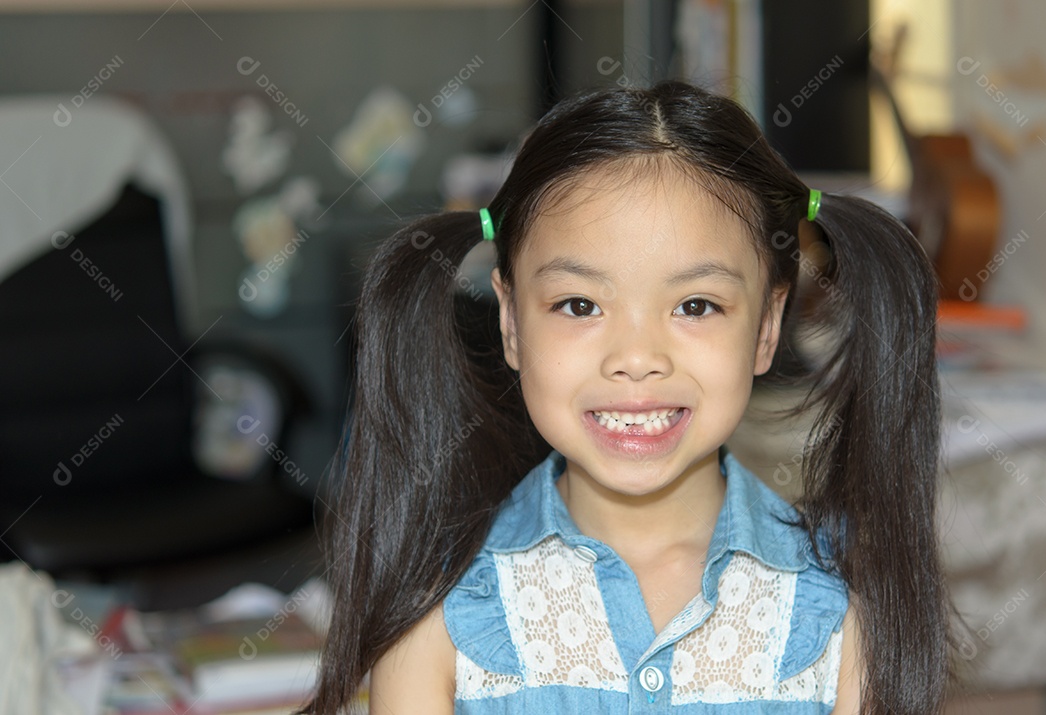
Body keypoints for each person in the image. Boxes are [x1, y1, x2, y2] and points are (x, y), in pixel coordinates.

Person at [300, 80, 958, 714]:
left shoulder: (841, 609)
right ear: (510, 324)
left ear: (765, 328)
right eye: (580, 304)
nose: (637, 358)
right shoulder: (433, 614)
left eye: (696, 305)